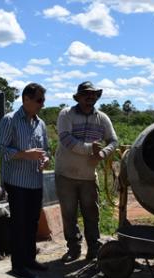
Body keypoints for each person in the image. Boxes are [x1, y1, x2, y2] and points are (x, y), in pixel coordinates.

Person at [55, 81, 118, 262]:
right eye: (86, 95)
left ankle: (93, 250)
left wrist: (102, 154)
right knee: (69, 214)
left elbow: (113, 141)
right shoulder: (66, 114)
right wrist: (91, 149)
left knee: (92, 214)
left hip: (89, 176)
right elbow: (66, 139)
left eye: (93, 95)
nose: (90, 98)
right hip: (66, 173)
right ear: (78, 97)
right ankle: (73, 249)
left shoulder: (102, 118)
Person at [0, 83, 50, 278]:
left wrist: (45, 158)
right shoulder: (10, 120)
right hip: (17, 182)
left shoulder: (40, 124)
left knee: (32, 223)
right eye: (39, 100)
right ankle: (18, 265)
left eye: (43, 100)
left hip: (35, 181)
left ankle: (29, 259)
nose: (42, 104)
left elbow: (46, 149)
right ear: (26, 99)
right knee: (19, 224)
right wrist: (25, 154)